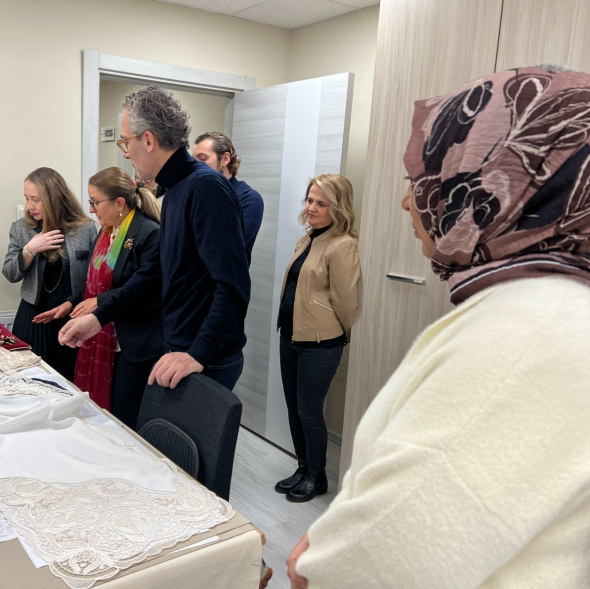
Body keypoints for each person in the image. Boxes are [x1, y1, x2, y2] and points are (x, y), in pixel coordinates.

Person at [287, 67, 590, 588]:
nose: (409, 201)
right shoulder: (545, 307)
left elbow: (399, 549)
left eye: (428, 182)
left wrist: (318, 563)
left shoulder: (526, 331)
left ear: (490, 189)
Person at [59, 86, 251, 392]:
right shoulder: (175, 190)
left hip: (204, 357)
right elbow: (155, 273)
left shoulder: (206, 188)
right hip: (179, 348)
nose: (125, 152)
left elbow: (233, 285)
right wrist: (99, 317)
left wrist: (198, 353)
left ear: (148, 140)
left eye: (126, 141)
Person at [50, 167, 163, 427]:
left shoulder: (149, 233)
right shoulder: (107, 231)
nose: (91, 210)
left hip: (132, 342)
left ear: (119, 203)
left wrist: (100, 303)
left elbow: (146, 291)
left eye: (95, 202)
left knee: (122, 418)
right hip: (103, 334)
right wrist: (72, 301)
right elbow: (97, 282)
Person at [275, 175, 359, 504]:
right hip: (291, 336)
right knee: (294, 409)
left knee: (309, 412)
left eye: (321, 203)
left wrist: (337, 337)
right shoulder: (308, 238)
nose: (311, 207)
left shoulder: (343, 244)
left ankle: (317, 476)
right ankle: (302, 468)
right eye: (310, 200)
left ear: (338, 207)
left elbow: (347, 302)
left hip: (320, 343)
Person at [2, 167, 97, 381]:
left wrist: (73, 303)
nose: (29, 206)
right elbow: (10, 273)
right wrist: (29, 250)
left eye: (35, 199)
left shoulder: (86, 229)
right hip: (33, 320)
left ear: (53, 198)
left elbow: (94, 278)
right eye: (27, 198)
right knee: (29, 382)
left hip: (73, 318)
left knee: (70, 383)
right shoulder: (20, 229)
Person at [192, 131, 264, 257]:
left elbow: (225, 249)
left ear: (225, 159)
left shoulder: (249, 199)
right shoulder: (195, 196)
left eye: (203, 159)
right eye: (194, 161)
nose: (196, 166)